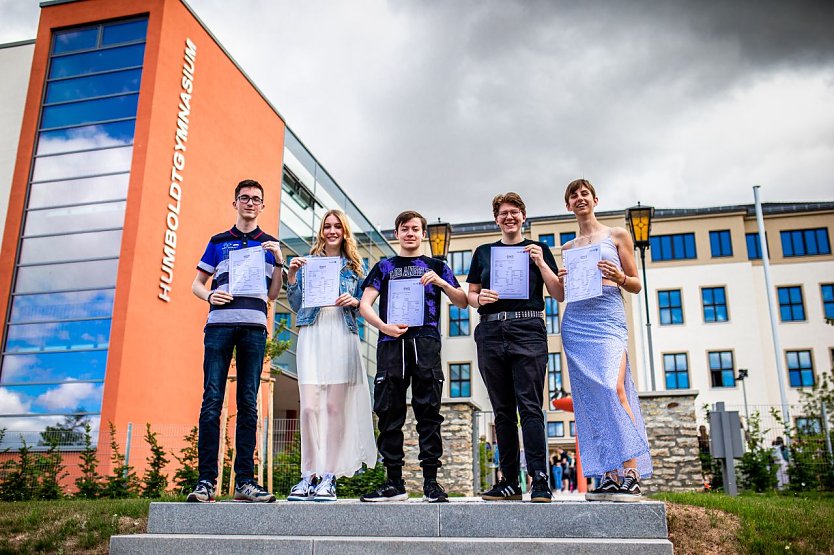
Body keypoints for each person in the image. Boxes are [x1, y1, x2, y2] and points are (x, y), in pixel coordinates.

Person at [358, 210, 468, 503]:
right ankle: (394, 482)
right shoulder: (384, 266)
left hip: (425, 343)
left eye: (415, 228)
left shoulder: (436, 265)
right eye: (404, 228)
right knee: (390, 413)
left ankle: (431, 482)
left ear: (423, 234)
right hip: (391, 343)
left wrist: (442, 283)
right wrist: (383, 326)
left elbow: (463, 301)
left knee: (428, 413)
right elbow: (365, 304)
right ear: (397, 234)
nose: (410, 233)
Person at [554, 178, 652, 502]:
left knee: (615, 387)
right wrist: (563, 280)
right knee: (591, 398)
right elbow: (562, 293)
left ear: (595, 199)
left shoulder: (617, 235)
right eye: (573, 195)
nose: (580, 198)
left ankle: (632, 471)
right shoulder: (568, 249)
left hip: (608, 317)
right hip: (577, 321)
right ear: (568, 205)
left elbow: (636, 283)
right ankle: (609, 475)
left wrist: (619, 276)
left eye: (584, 193)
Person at [187, 179, 284, 503]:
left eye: (256, 199)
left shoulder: (269, 244)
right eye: (245, 198)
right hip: (219, 327)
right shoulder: (218, 241)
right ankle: (206, 482)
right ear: (235, 203)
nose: (250, 203)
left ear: (262, 205)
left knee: (248, 403)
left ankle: (245, 481)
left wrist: (280, 262)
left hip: (254, 329)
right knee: (212, 400)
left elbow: (272, 295)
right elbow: (197, 284)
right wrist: (210, 294)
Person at [469, 192, 560, 503]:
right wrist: (479, 299)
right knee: (503, 411)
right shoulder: (483, 252)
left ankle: (540, 479)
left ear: (523, 216)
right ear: (496, 219)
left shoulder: (539, 249)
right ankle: (509, 481)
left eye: (514, 212)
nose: (509, 217)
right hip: (492, 329)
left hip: (528, 328)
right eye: (503, 213)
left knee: (530, 407)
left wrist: (540, 263)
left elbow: (558, 293)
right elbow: (471, 294)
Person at [284, 209, 377, 502]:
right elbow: (297, 304)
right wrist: (293, 274)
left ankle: (328, 477)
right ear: (322, 231)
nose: (332, 231)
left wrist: (355, 301)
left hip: (341, 334)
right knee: (310, 408)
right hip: (312, 334)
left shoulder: (354, 267)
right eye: (328, 226)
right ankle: (307, 475)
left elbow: (366, 306)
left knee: (335, 410)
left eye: (338, 226)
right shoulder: (308, 263)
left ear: (344, 231)